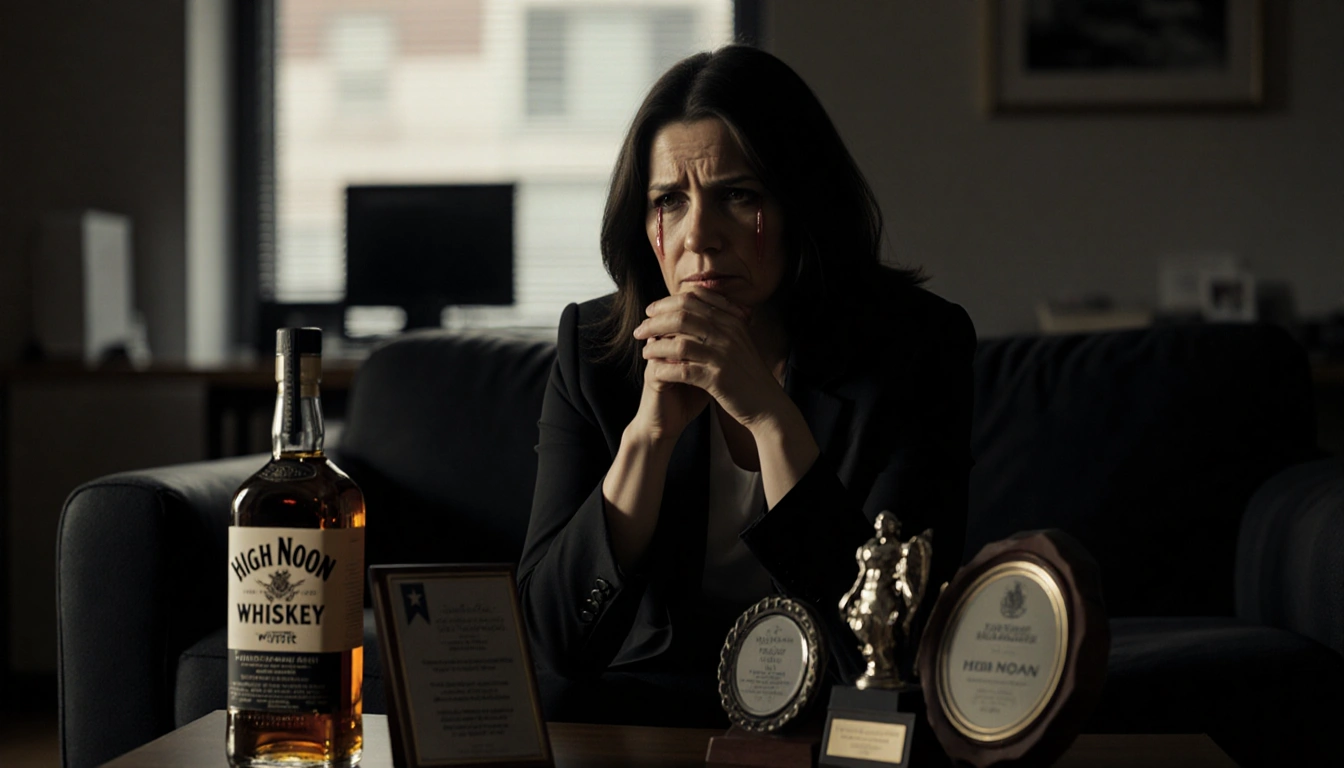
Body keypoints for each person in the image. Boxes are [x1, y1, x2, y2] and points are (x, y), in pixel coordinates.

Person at [517, 45, 974, 725]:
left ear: (800, 205)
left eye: (739, 195)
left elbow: (892, 642)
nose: (699, 236)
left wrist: (770, 416)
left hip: (831, 709)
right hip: (651, 704)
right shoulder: (594, 353)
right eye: (668, 200)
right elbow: (552, 642)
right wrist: (647, 439)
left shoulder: (916, 347)